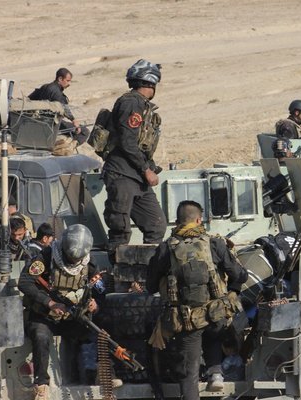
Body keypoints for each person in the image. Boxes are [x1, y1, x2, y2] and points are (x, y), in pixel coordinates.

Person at [146, 200, 248, 400]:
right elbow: (240, 276)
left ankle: (204, 380)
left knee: (189, 374)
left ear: (177, 222)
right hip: (215, 317)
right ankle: (216, 372)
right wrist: (232, 289)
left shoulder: (166, 248)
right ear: (199, 220)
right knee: (215, 326)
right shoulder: (214, 243)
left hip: (186, 321)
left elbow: (150, 287)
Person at [17, 224, 104, 400]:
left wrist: (95, 304)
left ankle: (99, 372)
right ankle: (41, 385)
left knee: (95, 332)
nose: (73, 261)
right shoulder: (46, 256)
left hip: (71, 317)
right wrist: (49, 303)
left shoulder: (88, 263)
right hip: (44, 315)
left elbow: (100, 290)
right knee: (40, 336)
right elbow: (24, 282)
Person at [102, 59, 167, 262]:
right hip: (122, 174)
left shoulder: (142, 105)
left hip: (137, 177)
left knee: (156, 224)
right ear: (150, 83)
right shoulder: (131, 103)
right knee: (120, 230)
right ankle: (117, 274)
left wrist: (149, 167)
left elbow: (139, 144)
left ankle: (148, 269)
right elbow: (127, 142)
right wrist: (146, 169)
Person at [28, 68, 88, 144]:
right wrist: (74, 120)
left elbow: (29, 99)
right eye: (67, 80)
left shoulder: (45, 87)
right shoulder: (56, 92)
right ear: (60, 79)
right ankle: (68, 147)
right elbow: (63, 108)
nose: (69, 84)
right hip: (51, 123)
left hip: (38, 121)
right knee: (84, 131)